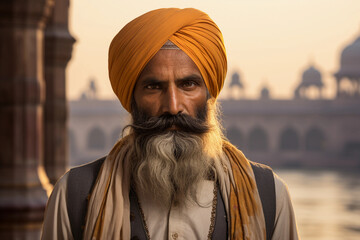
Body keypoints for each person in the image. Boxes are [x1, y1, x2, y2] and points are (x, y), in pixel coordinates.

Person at [41, 8, 299, 240]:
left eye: (188, 84)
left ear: (209, 96)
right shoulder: (74, 195)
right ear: (132, 100)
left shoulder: (269, 196)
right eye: (154, 87)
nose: (173, 105)